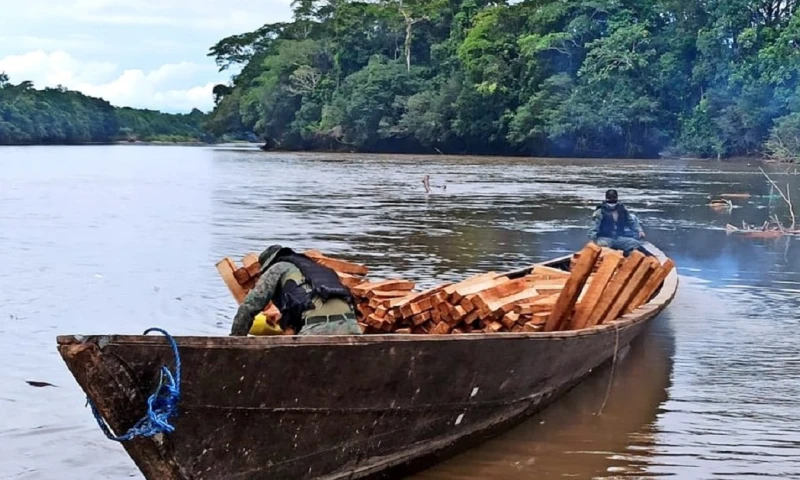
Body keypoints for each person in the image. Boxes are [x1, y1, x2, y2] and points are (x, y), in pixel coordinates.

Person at [230, 245, 362, 336]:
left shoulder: (277, 268)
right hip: (353, 327)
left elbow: (249, 306)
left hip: (317, 330)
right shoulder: (316, 268)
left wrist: (235, 340)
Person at [588, 189, 646, 255]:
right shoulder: (600, 211)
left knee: (636, 243)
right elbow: (594, 227)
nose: (612, 199)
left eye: (614, 197)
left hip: (618, 238)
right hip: (604, 238)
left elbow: (631, 222)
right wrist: (593, 239)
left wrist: (639, 230)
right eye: (610, 198)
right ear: (606, 198)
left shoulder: (622, 209)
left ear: (617, 198)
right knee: (604, 247)